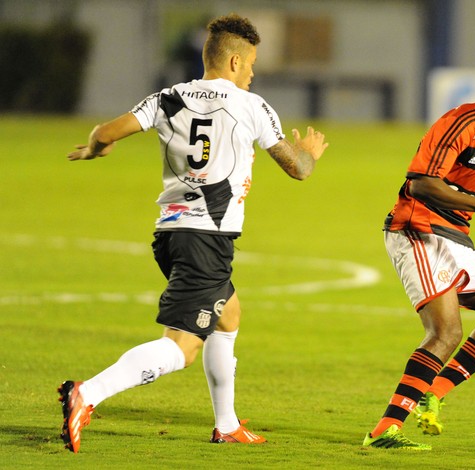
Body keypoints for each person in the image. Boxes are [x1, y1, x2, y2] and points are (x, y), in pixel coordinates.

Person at [58, 13, 328, 453]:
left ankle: (226, 424)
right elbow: (298, 169)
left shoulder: (168, 97)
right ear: (236, 62)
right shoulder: (251, 105)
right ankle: (87, 394)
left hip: (171, 234)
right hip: (207, 237)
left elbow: (105, 131)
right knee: (181, 349)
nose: (255, 72)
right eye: (254, 63)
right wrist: (310, 152)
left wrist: (95, 149)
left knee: (229, 314)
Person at [362, 63, 475, 449]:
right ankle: (385, 430)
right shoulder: (460, 123)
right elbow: (422, 184)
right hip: (416, 228)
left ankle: (435, 392)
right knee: (445, 332)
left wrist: (474, 209)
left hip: (455, 236)